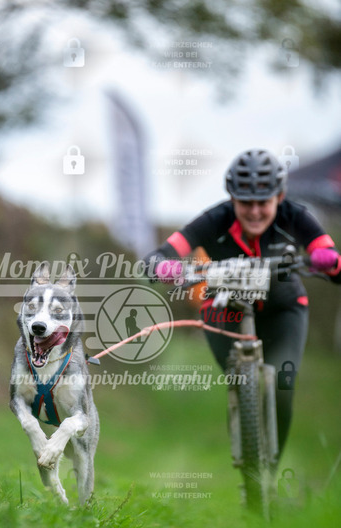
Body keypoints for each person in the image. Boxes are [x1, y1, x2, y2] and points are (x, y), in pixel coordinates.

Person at [144, 148, 341, 461]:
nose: (254, 211)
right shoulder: (214, 219)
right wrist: (163, 266)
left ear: (279, 197)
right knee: (240, 381)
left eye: (263, 202)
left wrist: (327, 260)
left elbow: (328, 254)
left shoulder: (295, 216)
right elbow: (161, 254)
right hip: (224, 309)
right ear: (232, 199)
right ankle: (246, 439)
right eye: (245, 202)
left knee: (283, 387)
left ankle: (269, 473)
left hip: (284, 309)